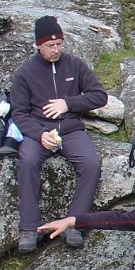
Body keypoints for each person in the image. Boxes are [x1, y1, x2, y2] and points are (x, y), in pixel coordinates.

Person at [10, 15, 108, 254]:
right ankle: (29, 228)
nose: (56, 50)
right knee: (28, 161)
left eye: (59, 44)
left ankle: (74, 224)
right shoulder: (24, 73)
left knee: (91, 163)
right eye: (50, 45)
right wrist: (39, 134)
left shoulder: (75, 65)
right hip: (39, 131)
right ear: (38, 45)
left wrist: (68, 103)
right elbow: (19, 113)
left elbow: (99, 96)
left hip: (70, 129)